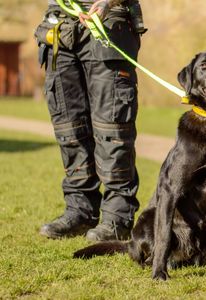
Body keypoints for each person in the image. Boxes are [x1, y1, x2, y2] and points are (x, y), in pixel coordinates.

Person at [36, 0, 143, 241]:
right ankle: (80, 212)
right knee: (69, 128)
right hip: (60, 28)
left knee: (112, 130)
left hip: (108, 23)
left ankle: (118, 218)